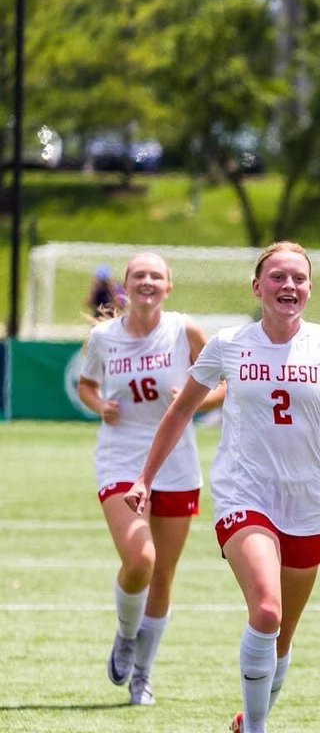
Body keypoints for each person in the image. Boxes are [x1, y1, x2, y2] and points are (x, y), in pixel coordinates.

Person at [124, 241, 320, 733]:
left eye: (298, 277)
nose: (288, 285)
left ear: (310, 288)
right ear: (258, 287)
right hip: (243, 494)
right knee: (266, 610)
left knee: (283, 638)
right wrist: (144, 479)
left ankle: (250, 718)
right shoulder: (228, 345)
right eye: (277, 276)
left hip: (306, 503)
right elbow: (181, 411)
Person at [77, 251, 225, 705]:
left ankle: (142, 674)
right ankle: (125, 634)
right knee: (140, 559)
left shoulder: (185, 330)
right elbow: (86, 384)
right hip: (121, 458)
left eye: (156, 276)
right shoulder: (103, 337)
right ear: (125, 286)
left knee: (162, 574)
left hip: (177, 462)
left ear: (168, 286)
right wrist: (100, 405)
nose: (147, 281)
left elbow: (225, 384)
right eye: (139, 275)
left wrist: (196, 402)